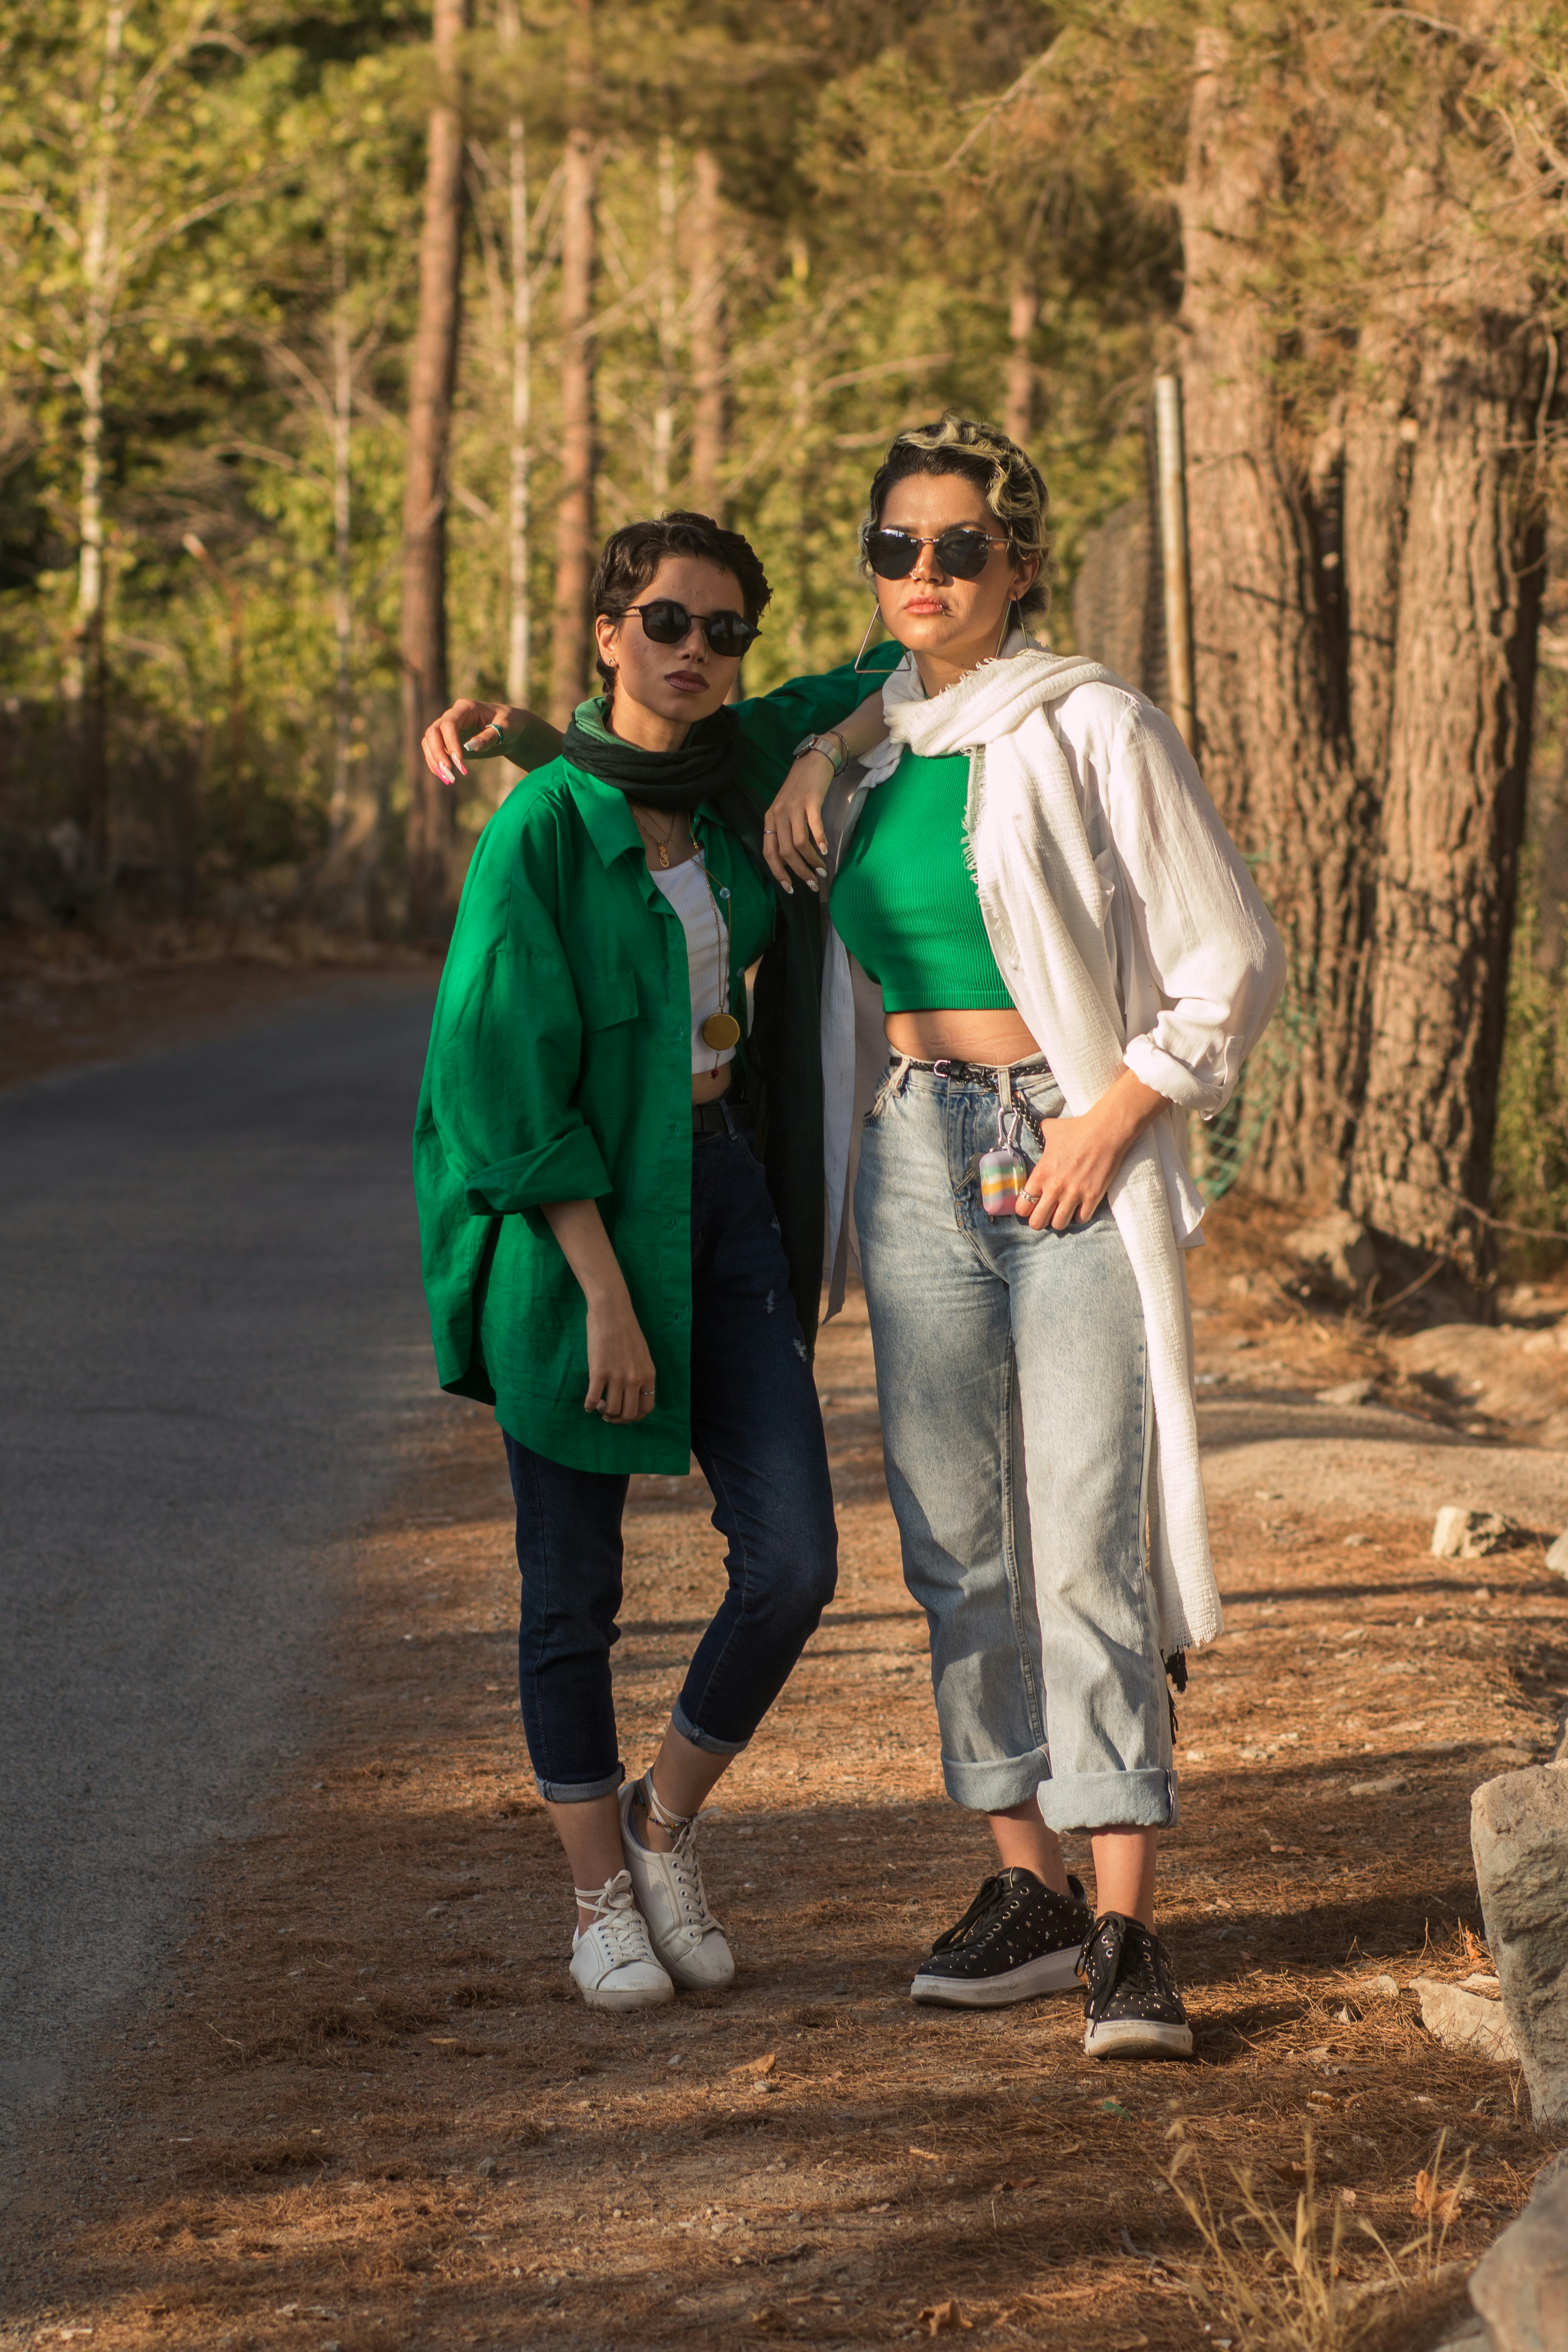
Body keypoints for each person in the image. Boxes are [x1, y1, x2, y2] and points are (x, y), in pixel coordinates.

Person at [763, 414, 1285, 2059]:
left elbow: (1229, 960)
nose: (925, 572)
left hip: (1066, 1142)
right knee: (955, 1542)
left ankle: (1128, 1927)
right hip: (912, 1150)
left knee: (1083, 1534)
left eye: (959, 548)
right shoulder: (867, 750)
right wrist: (805, 753)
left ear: (1021, 563)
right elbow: (699, 742)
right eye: (897, 548)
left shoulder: (1093, 723)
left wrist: (1112, 1120)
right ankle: (1028, 1883)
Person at [413, 511, 889, 2013]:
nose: (698, 651)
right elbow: (502, 1078)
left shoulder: (735, 764)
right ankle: (595, 1903)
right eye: (667, 623)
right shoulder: (541, 828)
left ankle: (661, 1826)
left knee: (796, 1561)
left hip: (721, 1191)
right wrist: (605, 1293)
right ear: (610, 628)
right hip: (573, 1230)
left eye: (727, 629)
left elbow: (901, 662)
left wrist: (816, 755)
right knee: (572, 1593)